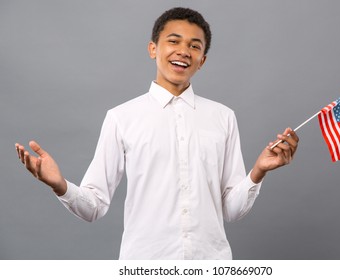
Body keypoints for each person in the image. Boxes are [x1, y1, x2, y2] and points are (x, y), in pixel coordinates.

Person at [15, 7, 299, 259]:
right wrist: (59, 185)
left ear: (202, 60)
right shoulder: (121, 117)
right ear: (153, 49)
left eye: (194, 46)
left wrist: (258, 172)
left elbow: (232, 211)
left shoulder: (223, 117)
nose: (183, 51)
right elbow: (94, 207)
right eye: (173, 41)